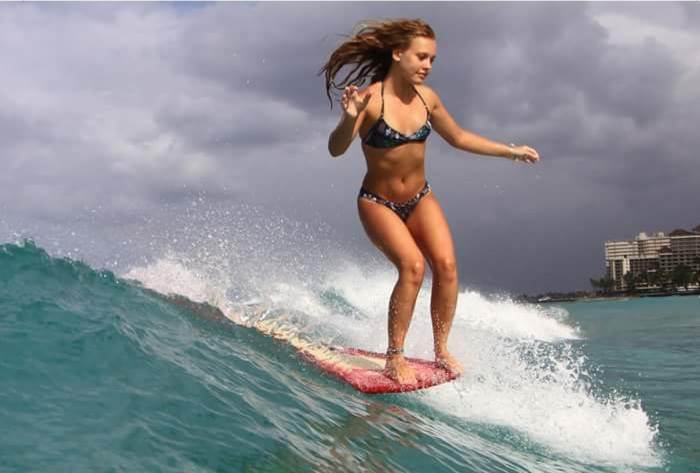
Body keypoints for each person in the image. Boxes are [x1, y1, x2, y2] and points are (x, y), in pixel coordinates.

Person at [320, 19, 540, 384]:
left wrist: (511, 152)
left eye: (432, 60)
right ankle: (395, 355)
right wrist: (350, 117)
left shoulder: (427, 98)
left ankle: (441, 350)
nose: (427, 65)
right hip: (377, 202)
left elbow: (459, 137)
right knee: (412, 267)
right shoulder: (371, 99)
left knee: (447, 267)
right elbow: (335, 149)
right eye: (421, 57)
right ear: (397, 53)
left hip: (420, 197)